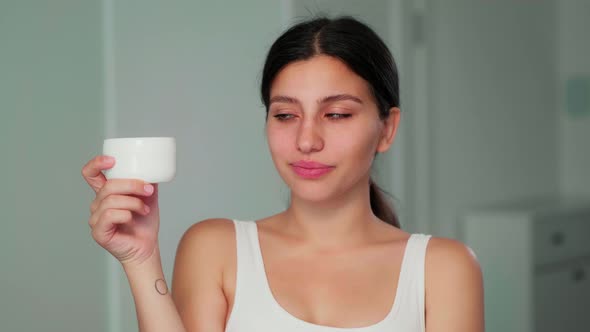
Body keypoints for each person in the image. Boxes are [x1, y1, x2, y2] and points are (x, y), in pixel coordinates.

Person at [82, 15, 484, 332]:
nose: (306, 140)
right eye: (286, 114)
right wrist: (140, 259)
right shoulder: (216, 249)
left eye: (337, 114)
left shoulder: (443, 269)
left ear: (387, 128)